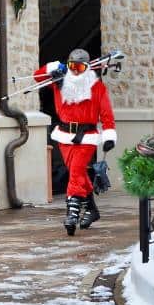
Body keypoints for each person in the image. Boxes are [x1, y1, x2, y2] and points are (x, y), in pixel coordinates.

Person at [34, 48, 116, 235]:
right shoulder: (59, 81)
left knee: (76, 172)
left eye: (79, 67)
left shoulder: (97, 88)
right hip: (64, 136)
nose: (76, 70)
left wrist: (109, 135)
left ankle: (72, 212)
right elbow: (37, 78)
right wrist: (54, 68)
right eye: (72, 66)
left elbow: (106, 113)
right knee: (76, 174)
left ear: (87, 67)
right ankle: (92, 209)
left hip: (86, 137)